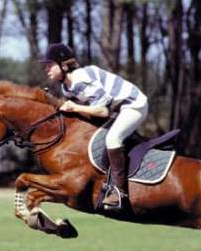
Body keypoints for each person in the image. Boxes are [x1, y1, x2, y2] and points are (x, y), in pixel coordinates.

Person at [40, 43, 148, 211]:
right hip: (117, 110)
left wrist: (74, 107)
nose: (47, 69)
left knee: (113, 139)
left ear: (64, 65)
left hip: (133, 105)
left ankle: (119, 192)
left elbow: (102, 111)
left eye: (50, 65)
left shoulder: (81, 79)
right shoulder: (66, 86)